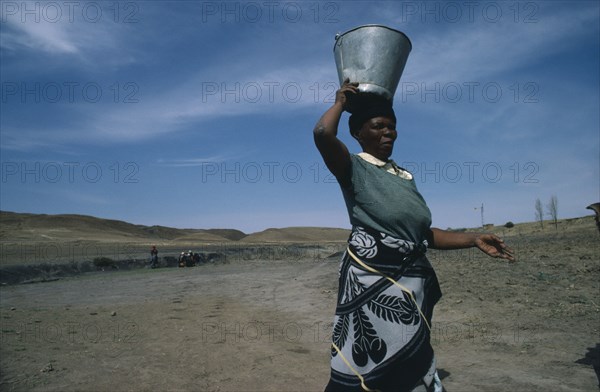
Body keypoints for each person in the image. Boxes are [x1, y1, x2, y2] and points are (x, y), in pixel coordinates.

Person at [313, 80, 515, 392]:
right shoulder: (352, 168)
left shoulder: (404, 177)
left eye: (392, 127)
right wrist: (340, 103)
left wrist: (473, 239)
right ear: (358, 133)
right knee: (370, 360)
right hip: (372, 283)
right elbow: (323, 134)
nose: (388, 133)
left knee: (410, 358)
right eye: (379, 126)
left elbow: (424, 235)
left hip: (410, 287)